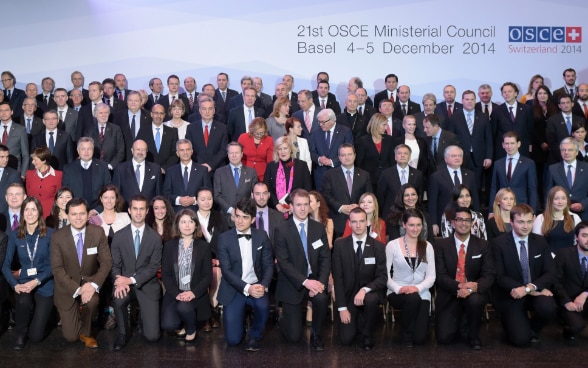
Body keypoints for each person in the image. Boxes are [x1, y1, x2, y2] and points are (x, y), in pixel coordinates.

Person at [50, 197, 112, 348]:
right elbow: (57, 270)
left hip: (90, 282)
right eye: (74, 214)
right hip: (67, 288)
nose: (78, 218)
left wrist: (93, 285)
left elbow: (106, 262)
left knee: (93, 302)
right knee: (71, 337)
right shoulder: (58, 237)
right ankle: (73, 318)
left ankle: (86, 332)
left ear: (87, 214)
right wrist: (78, 289)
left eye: (82, 213)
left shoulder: (97, 232)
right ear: (67, 215)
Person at [492, 204, 558, 346]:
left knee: (549, 307)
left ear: (534, 219)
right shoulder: (499, 243)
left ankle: (532, 329)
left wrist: (530, 288)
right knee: (521, 341)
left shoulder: (540, 241)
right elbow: (499, 276)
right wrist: (522, 289)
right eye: (521, 222)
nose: (525, 226)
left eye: (529, 221)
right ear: (511, 222)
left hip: (534, 290)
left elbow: (551, 272)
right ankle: (514, 326)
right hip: (511, 294)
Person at [274, 189, 331, 351]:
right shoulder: (282, 230)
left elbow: (325, 258)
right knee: (293, 338)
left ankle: (317, 334)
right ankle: (282, 318)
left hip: (315, 278)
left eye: (306, 204)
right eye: (298, 205)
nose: (303, 208)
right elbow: (283, 263)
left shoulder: (318, 228)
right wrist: (306, 282)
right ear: (290, 206)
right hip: (294, 282)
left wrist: (320, 283)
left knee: (321, 299)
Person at [217, 198, 273, 351]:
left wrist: (263, 285)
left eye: (245, 217)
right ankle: (241, 321)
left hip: (257, 284)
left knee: (263, 305)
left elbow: (268, 265)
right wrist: (247, 288)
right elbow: (226, 272)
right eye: (237, 216)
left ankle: (255, 335)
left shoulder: (262, 236)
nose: (240, 221)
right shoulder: (224, 239)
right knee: (233, 340)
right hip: (234, 288)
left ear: (253, 219)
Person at [435, 207, 494, 350]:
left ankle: (474, 335)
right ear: (453, 223)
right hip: (450, 292)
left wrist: (473, 287)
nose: (464, 223)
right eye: (460, 219)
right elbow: (440, 275)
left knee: (475, 301)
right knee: (444, 338)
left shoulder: (483, 245)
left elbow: (489, 274)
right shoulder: (440, 245)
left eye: (467, 220)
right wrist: (459, 286)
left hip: (473, 293)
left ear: (472, 223)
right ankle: (460, 321)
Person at [110, 195, 163, 350]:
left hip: (146, 285)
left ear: (147, 211)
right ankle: (122, 334)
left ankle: (142, 319)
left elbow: (153, 267)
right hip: (124, 284)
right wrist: (119, 281)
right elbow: (115, 265)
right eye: (135, 209)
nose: (138, 213)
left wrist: (130, 280)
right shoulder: (118, 236)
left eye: (142, 209)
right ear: (129, 210)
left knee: (152, 337)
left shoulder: (155, 238)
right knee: (119, 299)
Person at [2, 197, 53, 350]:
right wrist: (15, 285)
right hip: (23, 282)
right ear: (22, 213)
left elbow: (54, 265)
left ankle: (42, 319)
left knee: (36, 337)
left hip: (45, 283)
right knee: (23, 301)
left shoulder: (50, 234)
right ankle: (20, 334)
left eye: (33, 209)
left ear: (39, 212)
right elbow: (5, 265)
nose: (30, 213)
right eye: (26, 209)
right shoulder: (15, 235)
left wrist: (36, 281)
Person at [332, 207, 387, 350]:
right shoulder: (339, 245)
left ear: (366, 223)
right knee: (346, 339)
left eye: (361, 221)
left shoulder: (379, 247)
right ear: (349, 223)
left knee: (371, 299)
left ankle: (367, 334)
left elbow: (382, 277)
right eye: (354, 221)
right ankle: (357, 321)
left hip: (369, 295)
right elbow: (338, 278)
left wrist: (364, 289)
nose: (358, 225)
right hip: (348, 296)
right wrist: (342, 308)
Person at [386, 208, 435, 347]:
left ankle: (410, 329)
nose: (415, 229)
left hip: (422, 293)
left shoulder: (427, 246)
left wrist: (416, 288)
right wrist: (399, 288)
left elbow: (431, 277)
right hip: (397, 292)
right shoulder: (392, 245)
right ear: (404, 225)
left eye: (418, 225)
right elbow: (385, 275)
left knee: (419, 339)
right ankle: (405, 334)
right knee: (412, 298)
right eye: (411, 225)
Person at [161, 209, 212, 343]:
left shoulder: (204, 246)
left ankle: (191, 328)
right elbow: (165, 275)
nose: (187, 225)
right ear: (177, 225)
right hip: (175, 292)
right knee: (168, 325)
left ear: (196, 225)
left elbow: (207, 276)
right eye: (183, 222)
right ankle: (180, 325)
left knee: (184, 307)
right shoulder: (168, 246)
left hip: (194, 293)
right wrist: (176, 293)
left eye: (191, 221)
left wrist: (193, 293)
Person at [322, 143, 373, 238]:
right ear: (339, 157)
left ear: (355, 155)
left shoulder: (365, 175)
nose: (347, 157)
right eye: (343, 155)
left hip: (360, 221)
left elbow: (369, 195)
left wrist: (359, 206)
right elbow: (326, 195)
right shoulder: (329, 175)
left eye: (349, 154)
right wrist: (340, 207)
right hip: (338, 222)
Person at [194, 187, 228, 331]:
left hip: (215, 259)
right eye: (203, 199)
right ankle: (205, 315)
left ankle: (212, 311)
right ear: (196, 201)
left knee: (215, 274)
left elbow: (226, 242)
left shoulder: (220, 217)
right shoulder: (190, 217)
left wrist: (219, 259)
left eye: (209, 199)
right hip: (195, 260)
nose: (207, 202)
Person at [428, 145, 479, 236]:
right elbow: (432, 202)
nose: (457, 158)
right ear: (446, 158)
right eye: (454, 156)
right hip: (446, 220)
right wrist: (434, 223)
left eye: (459, 156)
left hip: (467, 221)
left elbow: (475, 198)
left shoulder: (470, 175)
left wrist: (477, 219)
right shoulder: (436, 177)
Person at [447, 90, 493, 188]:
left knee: (477, 186)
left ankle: (477, 203)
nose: (470, 101)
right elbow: (451, 139)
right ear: (462, 100)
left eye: (472, 99)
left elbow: (488, 138)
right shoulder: (455, 117)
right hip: (461, 157)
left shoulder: (483, 117)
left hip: (479, 158)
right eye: (467, 99)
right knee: (462, 185)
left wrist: (489, 156)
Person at [553, 221, 588, 341]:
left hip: (586, 300)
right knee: (576, 327)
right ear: (576, 237)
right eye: (584, 235)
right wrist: (567, 302)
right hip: (568, 301)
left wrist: (585, 294)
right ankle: (566, 326)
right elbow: (556, 282)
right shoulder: (563, 254)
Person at [489, 131, 538, 213]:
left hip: (522, 207)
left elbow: (532, 189)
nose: (509, 146)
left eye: (512, 143)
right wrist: (491, 211)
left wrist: (533, 212)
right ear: (503, 145)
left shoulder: (529, 163)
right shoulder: (498, 164)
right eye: (507, 143)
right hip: (502, 208)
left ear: (518, 144)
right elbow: (494, 188)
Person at [263, 136, 312, 214]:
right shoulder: (271, 166)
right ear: (276, 151)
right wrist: (277, 204)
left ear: (291, 149)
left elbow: (308, 190)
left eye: (285, 148)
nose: (283, 152)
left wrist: (294, 206)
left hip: (297, 209)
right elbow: (266, 189)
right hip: (275, 209)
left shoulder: (302, 165)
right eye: (280, 149)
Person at [213, 142, 258, 226]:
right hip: (225, 218)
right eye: (231, 153)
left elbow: (254, 195)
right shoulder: (219, 172)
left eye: (236, 153)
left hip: (245, 217)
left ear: (241, 154)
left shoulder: (251, 172)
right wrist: (231, 210)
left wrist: (243, 211)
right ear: (228, 154)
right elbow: (217, 195)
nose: (234, 156)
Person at [309, 108, 354, 190]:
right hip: (320, 175)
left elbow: (349, 152)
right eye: (319, 122)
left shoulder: (345, 131)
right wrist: (319, 159)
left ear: (333, 120)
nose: (320, 124)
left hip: (339, 173)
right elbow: (311, 152)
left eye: (323, 122)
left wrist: (332, 162)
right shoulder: (315, 133)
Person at [62, 137, 112, 211]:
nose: (86, 152)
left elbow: (108, 191)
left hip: (98, 211)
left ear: (93, 150)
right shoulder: (68, 169)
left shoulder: (103, 167)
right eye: (83, 149)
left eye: (89, 149)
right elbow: (66, 193)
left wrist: (97, 210)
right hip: (76, 210)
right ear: (78, 151)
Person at [185, 96, 228, 179]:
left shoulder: (222, 128)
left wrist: (211, 165)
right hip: (197, 169)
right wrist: (201, 166)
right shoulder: (191, 128)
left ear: (214, 111)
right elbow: (189, 149)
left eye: (210, 108)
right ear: (200, 111)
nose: (207, 112)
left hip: (217, 170)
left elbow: (223, 150)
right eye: (204, 109)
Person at [377, 144, 425, 219]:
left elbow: (420, 196)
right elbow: (381, 197)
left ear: (409, 157)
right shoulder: (386, 174)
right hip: (391, 215)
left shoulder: (418, 174)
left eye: (405, 153)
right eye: (399, 153)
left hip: (412, 215)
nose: (402, 155)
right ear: (395, 157)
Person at [162, 139, 211, 213]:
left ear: (192, 151)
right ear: (177, 153)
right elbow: (165, 194)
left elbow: (209, 192)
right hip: (177, 215)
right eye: (182, 150)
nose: (185, 153)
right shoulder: (170, 171)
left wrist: (194, 200)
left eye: (188, 149)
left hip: (198, 214)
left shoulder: (202, 170)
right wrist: (179, 200)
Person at [545, 137, 588, 220]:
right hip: (559, 215)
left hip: (584, 215)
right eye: (563, 150)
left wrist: (583, 205)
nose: (566, 152)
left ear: (576, 152)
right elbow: (548, 194)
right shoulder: (552, 169)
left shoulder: (586, 168)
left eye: (570, 150)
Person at [112, 139, 162, 208]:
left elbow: (159, 195)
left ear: (147, 151)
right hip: (127, 212)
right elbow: (116, 194)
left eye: (143, 149)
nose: (140, 152)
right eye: (138, 149)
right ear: (132, 150)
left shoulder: (155, 169)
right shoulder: (120, 169)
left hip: (149, 213)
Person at [532, 186, 581, 255]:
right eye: (556, 199)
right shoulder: (541, 218)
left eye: (563, 198)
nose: (560, 202)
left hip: (570, 259)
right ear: (550, 200)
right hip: (549, 259)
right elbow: (536, 243)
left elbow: (579, 241)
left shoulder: (575, 217)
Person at [356, 113, 396, 193]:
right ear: (376, 124)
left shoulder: (390, 140)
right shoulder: (363, 141)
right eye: (384, 125)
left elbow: (392, 160)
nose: (386, 127)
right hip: (369, 180)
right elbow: (359, 162)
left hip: (386, 179)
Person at [530, 85, 558, 197]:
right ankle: (541, 199)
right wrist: (542, 142)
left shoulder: (555, 108)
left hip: (553, 147)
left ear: (548, 95)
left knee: (551, 174)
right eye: (540, 93)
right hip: (538, 147)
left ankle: (550, 197)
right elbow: (532, 129)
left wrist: (551, 143)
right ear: (536, 96)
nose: (542, 95)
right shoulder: (532, 109)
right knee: (539, 174)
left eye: (545, 93)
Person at [493, 82, 533, 158]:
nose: (507, 94)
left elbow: (530, 130)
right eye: (504, 92)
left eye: (509, 91)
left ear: (516, 93)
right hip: (503, 152)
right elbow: (494, 133)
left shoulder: (526, 109)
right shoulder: (497, 111)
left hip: (522, 150)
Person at [136, 104, 179, 173]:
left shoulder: (172, 132)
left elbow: (175, 154)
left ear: (164, 115)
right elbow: (138, 151)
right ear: (151, 114)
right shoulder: (143, 131)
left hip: (166, 173)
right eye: (156, 113)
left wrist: (164, 168)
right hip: (147, 171)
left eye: (161, 113)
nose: (159, 116)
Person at [113, 90, 152, 161]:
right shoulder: (118, 116)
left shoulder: (149, 116)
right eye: (130, 100)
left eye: (136, 101)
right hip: (124, 158)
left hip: (144, 158)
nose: (133, 103)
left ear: (141, 102)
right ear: (127, 101)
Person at [546, 94, 586, 164]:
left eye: (568, 102)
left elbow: (584, 139)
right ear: (559, 106)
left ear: (572, 104)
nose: (566, 105)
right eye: (563, 103)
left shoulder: (581, 119)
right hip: (558, 159)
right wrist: (564, 154)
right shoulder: (552, 120)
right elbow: (551, 141)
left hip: (579, 159)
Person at [84, 103, 125, 170]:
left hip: (112, 169)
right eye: (101, 113)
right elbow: (86, 149)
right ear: (95, 115)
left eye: (106, 113)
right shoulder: (89, 130)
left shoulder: (116, 129)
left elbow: (121, 151)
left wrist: (111, 165)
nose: (104, 115)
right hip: (94, 168)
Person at [26, 147, 62, 217]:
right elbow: (29, 195)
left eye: (35, 160)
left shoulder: (58, 175)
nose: (32, 162)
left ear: (44, 160)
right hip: (33, 214)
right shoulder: (29, 174)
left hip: (50, 215)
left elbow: (59, 197)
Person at [238, 117, 274, 182]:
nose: (259, 135)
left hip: (262, 174)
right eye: (257, 133)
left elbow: (270, 161)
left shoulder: (269, 140)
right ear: (252, 130)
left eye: (261, 133)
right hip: (244, 172)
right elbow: (238, 156)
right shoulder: (243, 138)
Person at [0, 101, 30, 178]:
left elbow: (25, 155)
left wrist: (23, 174)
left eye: (6, 110)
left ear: (12, 112)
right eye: (1, 110)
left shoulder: (20, 130)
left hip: (15, 170)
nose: (3, 113)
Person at [0, 144, 22, 215]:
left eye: (7, 157)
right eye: (2, 157)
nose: (5, 160)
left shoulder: (14, 174)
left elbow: (19, 196)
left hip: (5, 215)